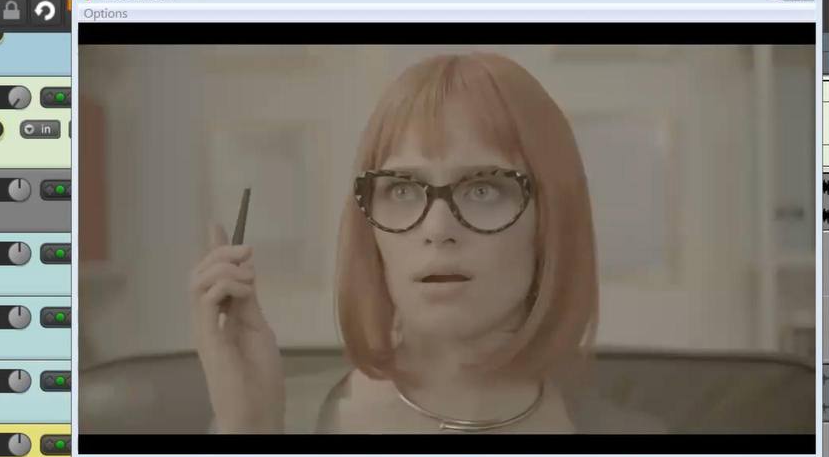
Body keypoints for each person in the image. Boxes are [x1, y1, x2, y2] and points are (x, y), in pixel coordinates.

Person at [192, 52, 639, 434]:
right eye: (403, 190)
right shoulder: (271, 417)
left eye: (483, 189)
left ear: (550, 220)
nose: (437, 227)